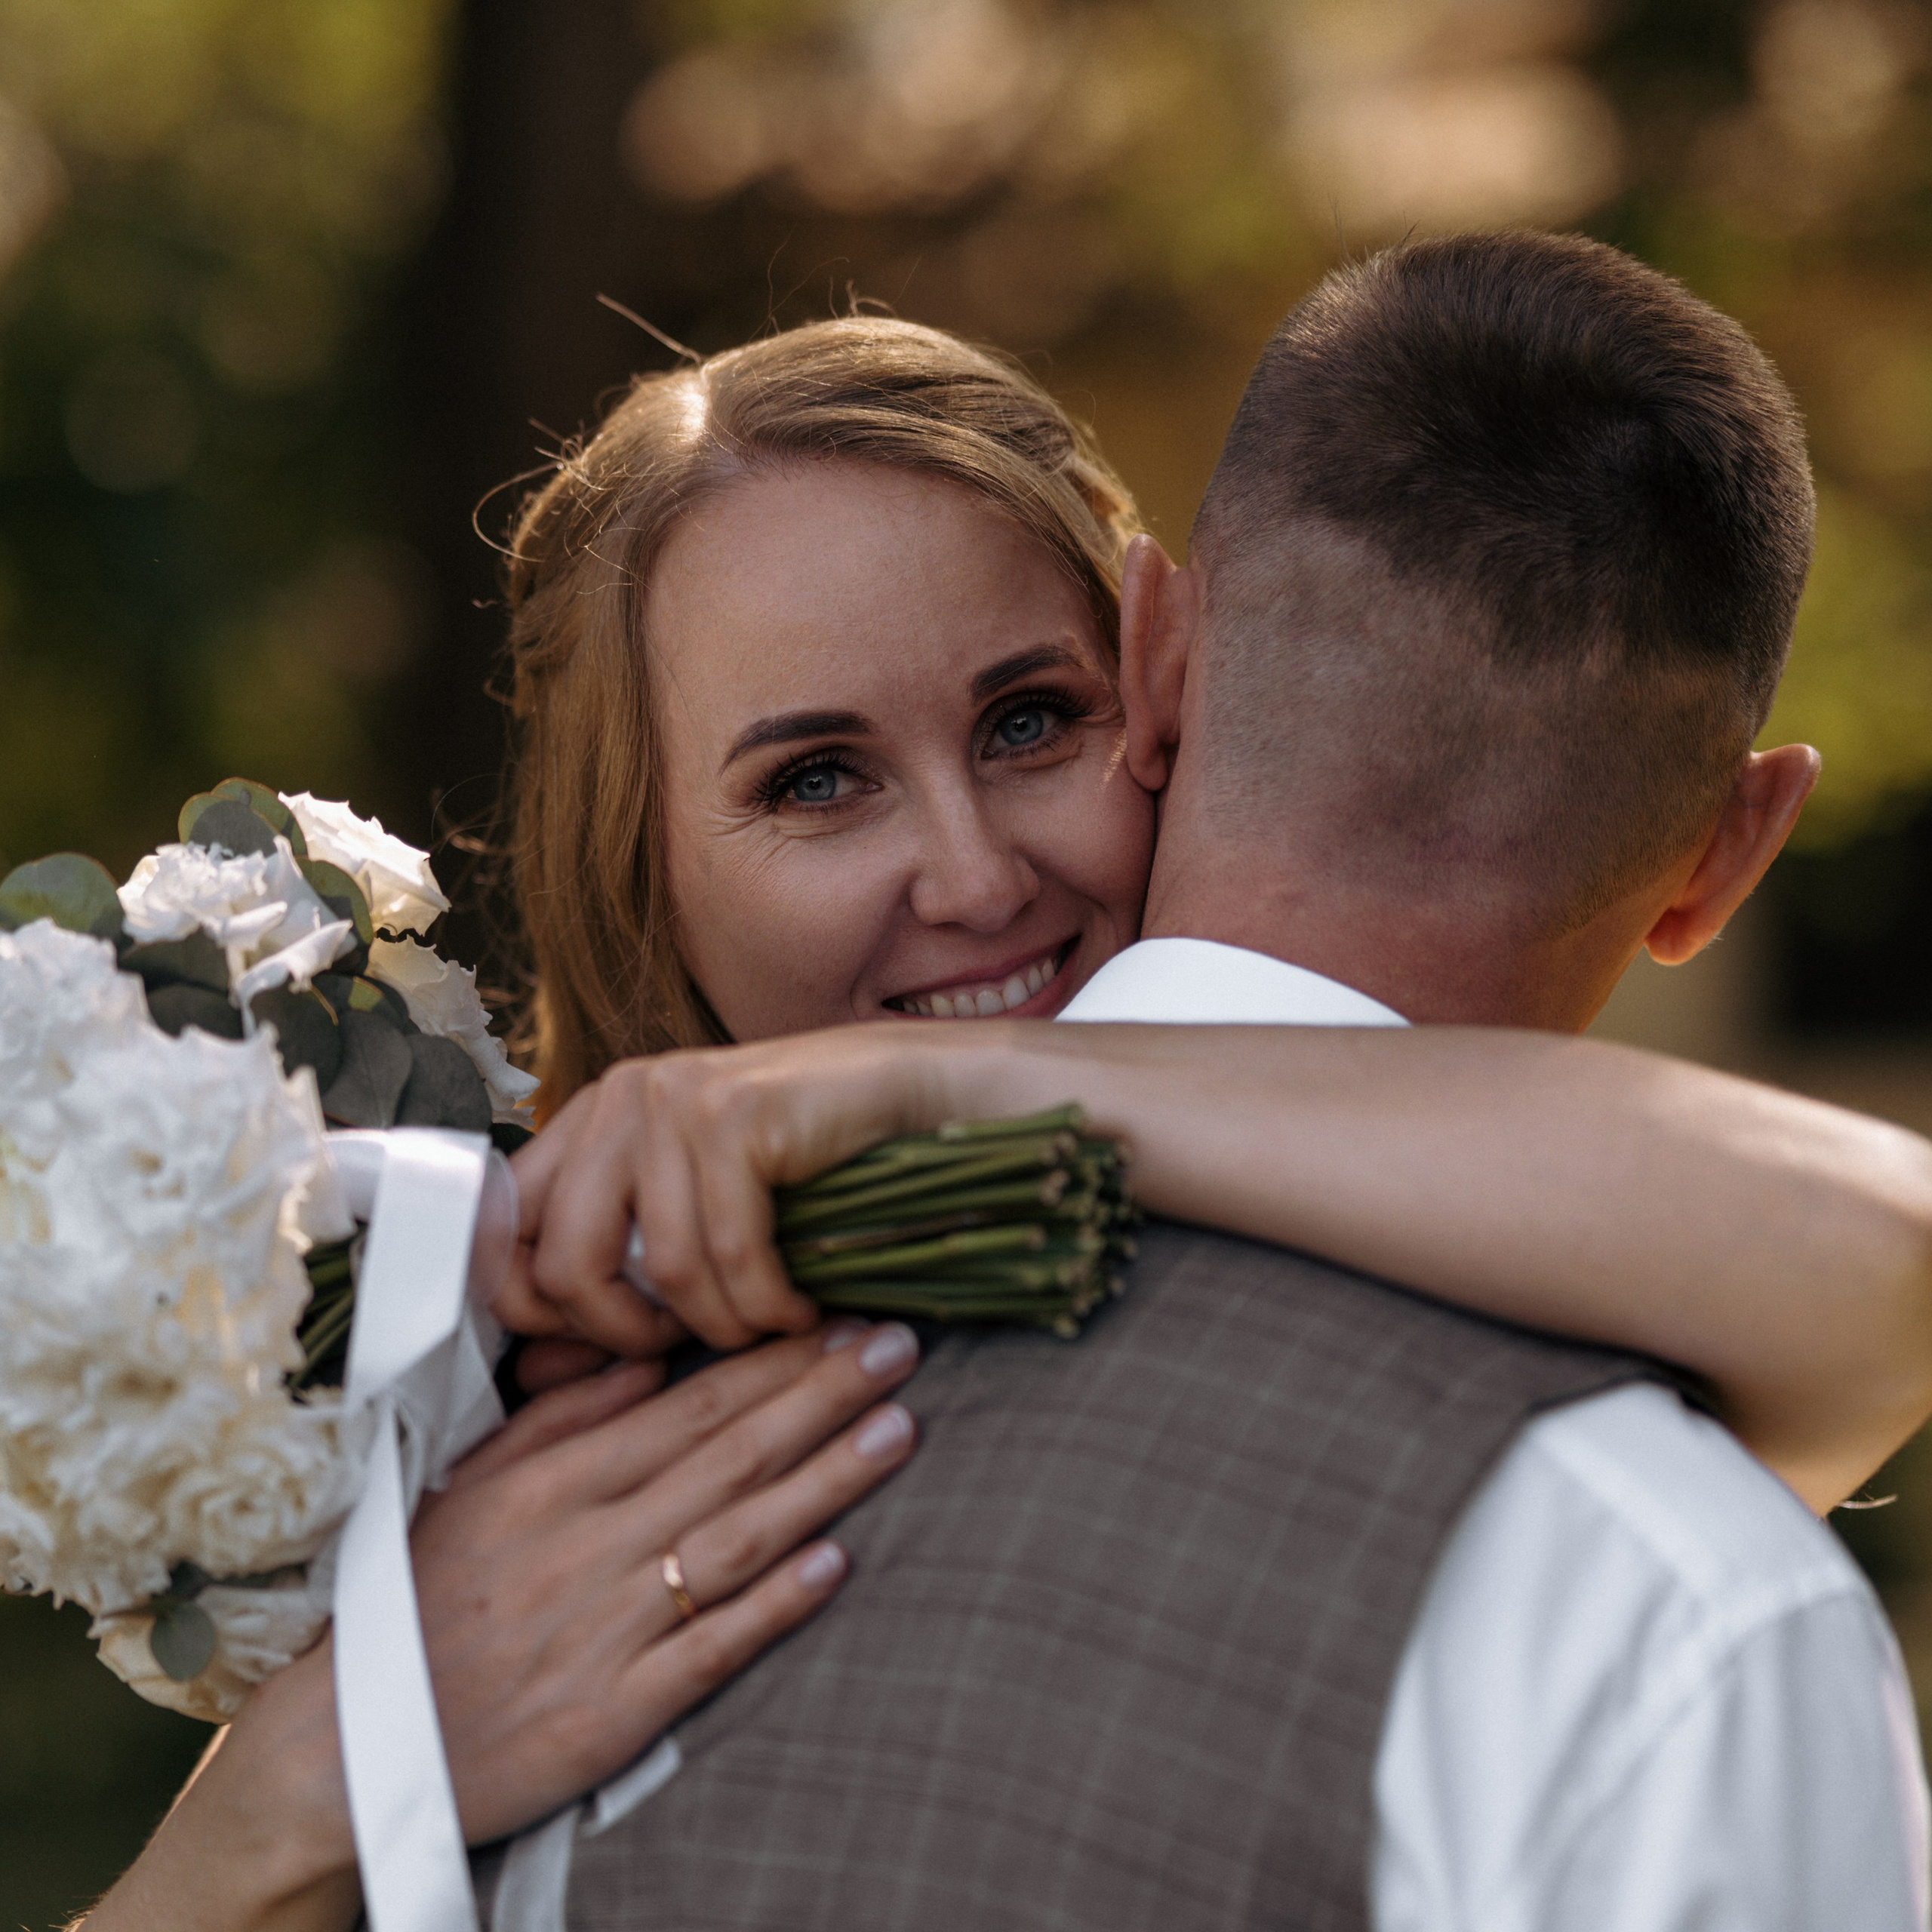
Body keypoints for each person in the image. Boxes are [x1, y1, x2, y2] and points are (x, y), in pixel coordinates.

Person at [85, 235, 1932, 1929]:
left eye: (1030, 722)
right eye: (814, 779)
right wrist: (305, 1796)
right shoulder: (493, 1486)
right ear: (636, 876)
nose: (974, 879)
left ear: (1160, 674)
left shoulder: (1578, 1318)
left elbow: (1871, 1264)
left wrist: (974, 1090)